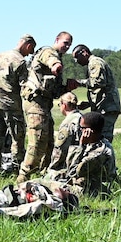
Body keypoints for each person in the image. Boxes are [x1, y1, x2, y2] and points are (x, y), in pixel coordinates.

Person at [17, 31, 78, 182]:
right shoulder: (48, 52)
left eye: (69, 44)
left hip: (44, 105)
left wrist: (67, 88)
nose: (67, 46)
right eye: (65, 42)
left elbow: (55, 92)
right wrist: (55, 65)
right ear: (57, 40)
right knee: (37, 141)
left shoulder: (58, 57)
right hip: (35, 103)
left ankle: (44, 175)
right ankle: (23, 177)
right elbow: (50, 60)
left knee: (50, 143)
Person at [0, 34, 36, 175]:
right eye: (29, 52)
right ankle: (17, 170)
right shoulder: (20, 62)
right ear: (28, 46)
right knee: (17, 138)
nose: (27, 55)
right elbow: (25, 87)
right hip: (11, 105)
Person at [50, 111, 116, 197]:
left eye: (82, 128)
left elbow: (72, 172)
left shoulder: (99, 152)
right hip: (85, 184)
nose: (80, 130)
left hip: (91, 190)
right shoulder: (94, 144)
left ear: (89, 131)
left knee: (43, 186)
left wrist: (81, 146)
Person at [70, 44, 121, 142]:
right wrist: (90, 103)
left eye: (77, 57)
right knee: (99, 137)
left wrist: (78, 82)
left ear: (84, 52)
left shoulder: (95, 63)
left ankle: (106, 157)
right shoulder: (93, 63)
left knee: (103, 138)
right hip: (104, 106)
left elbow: (98, 82)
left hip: (107, 107)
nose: (76, 61)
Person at [47, 92, 82, 174]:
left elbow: (60, 149)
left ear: (64, 105)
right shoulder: (82, 117)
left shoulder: (68, 123)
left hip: (70, 165)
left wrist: (52, 168)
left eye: (59, 104)